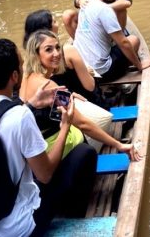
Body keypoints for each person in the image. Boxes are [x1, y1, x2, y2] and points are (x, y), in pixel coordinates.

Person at [0, 38, 97, 237]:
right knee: (85, 153)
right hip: (21, 226)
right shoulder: (20, 117)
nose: (24, 68)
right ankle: (76, 216)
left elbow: (2, 122)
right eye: (22, 65)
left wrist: (31, 104)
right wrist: (65, 126)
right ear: (15, 76)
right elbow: (46, 174)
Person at [20, 29, 143, 161]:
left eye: (57, 47)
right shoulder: (49, 85)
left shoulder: (26, 76)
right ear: (36, 55)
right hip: (50, 148)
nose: (56, 53)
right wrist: (119, 145)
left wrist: (70, 95)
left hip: (36, 149)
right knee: (88, 127)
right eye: (48, 50)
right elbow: (83, 124)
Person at [73, 0, 150, 83]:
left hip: (82, 68)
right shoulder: (105, 9)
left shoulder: (85, 4)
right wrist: (140, 65)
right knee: (133, 40)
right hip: (102, 73)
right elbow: (124, 43)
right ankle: (123, 69)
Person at [23, 9, 106, 108]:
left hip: (61, 106)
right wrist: (87, 72)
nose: (56, 54)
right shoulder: (68, 52)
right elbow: (90, 86)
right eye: (54, 21)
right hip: (79, 106)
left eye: (57, 48)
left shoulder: (27, 67)